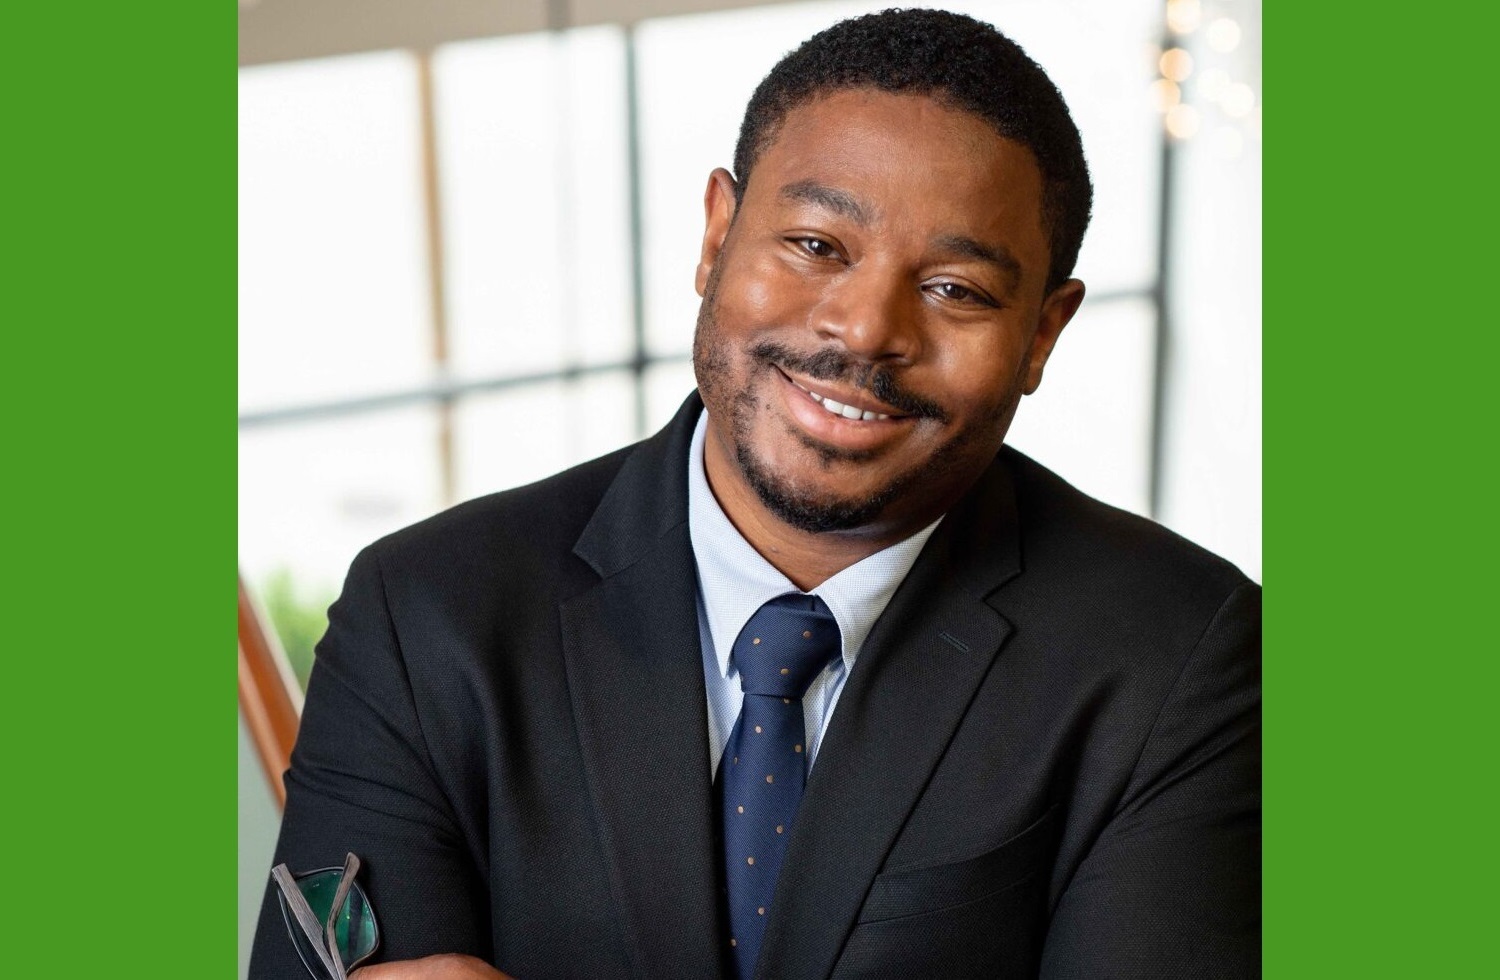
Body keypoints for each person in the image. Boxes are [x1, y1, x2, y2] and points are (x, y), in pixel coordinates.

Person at [250, 9, 1260, 979]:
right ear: (716, 233)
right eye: (816, 245)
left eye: (957, 288)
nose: (865, 330)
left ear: (1042, 331)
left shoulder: (1178, 656)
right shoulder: (425, 611)